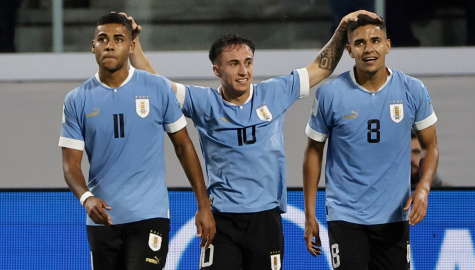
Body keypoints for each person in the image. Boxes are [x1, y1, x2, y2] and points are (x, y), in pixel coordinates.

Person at [124, 10, 379, 270]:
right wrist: (134, 46)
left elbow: (321, 68)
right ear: (217, 69)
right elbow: (158, 85)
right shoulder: (204, 102)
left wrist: (341, 28)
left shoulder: (275, 91)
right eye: (234, 63)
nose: (244, 70)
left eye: (248, 61)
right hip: (221, 220)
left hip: (265, 220)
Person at [58, 13, 215, 270]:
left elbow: (184, 146)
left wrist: (204, 206)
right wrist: (86, 198)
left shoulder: (157, 88)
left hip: (149, 215)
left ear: (131, 46)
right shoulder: (76, 99)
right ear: (93, 46)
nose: (109, 45)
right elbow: (70, 165)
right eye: (102, 39)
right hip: (103, 219)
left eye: (118, 39)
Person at [303, 14, 439, 269]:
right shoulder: (330, 94)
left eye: (375, 40)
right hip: (345, 217)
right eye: (360, 43)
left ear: (387, 45)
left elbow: (431, 146)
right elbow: (313, 151)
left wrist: (423, 188)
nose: (368, 49)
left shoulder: (413, 89)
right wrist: (309, 214)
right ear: (349, 50)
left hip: (394, 217)